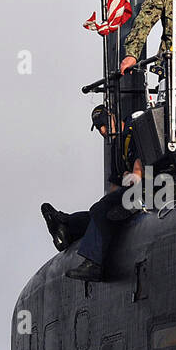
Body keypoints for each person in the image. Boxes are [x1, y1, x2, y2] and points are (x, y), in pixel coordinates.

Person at [41, 105, 144, 283]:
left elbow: (138, 173)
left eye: (103, 124)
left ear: (113, 117)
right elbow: (114, 186)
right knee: (100, 215)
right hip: (129, 193)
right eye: (98, 128)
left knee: (100, 211)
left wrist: (128, 179)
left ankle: (94, 264)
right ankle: (66, 226)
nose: (102, 131)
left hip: (148, 190)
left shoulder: (134, 130)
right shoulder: (116, 145)